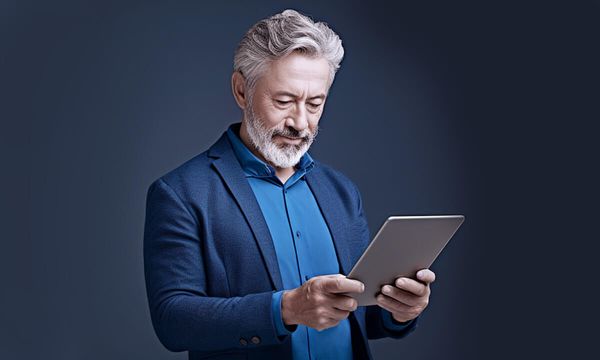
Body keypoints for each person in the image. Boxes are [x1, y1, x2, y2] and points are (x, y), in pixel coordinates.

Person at [143, 9, 435, 360]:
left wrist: (399, 311)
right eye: (283, 101)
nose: (300, 122)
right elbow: (172, 321)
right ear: (241, 90)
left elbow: (362, 317)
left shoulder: (341, 192)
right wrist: (286, 309)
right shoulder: (181, 193)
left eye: (315, 103)